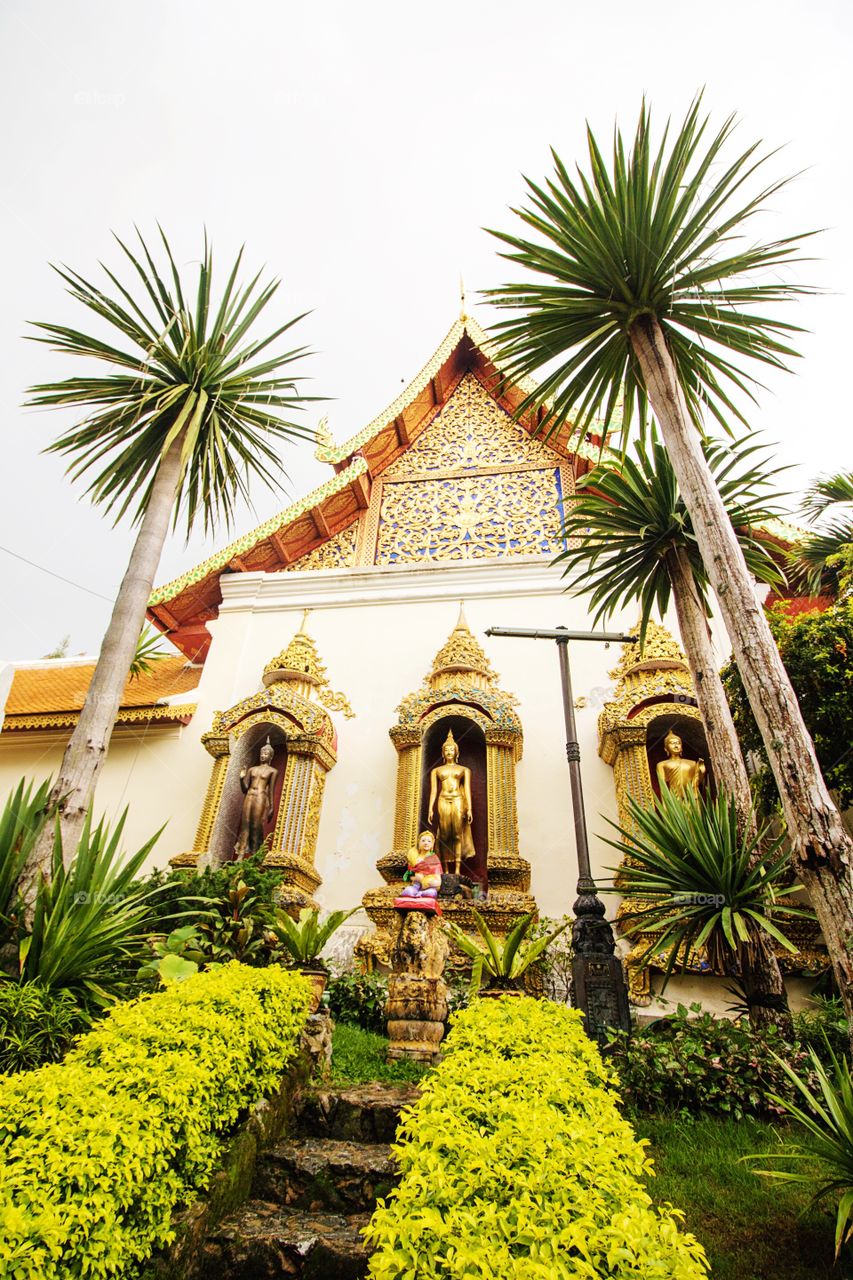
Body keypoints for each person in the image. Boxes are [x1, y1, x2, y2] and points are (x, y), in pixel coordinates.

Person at [428, 729, 475, 874]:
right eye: (446, 749)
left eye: (451, 749)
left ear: (456, 752)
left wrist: (470, 809)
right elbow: (434, 791)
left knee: (457, 834)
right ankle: (446, 870)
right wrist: (430, 808)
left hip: (458, 800)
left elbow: (467, 790)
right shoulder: (436, 771)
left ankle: (457, 870)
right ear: (443, 752)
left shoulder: (464, 770)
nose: (449, 752)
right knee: (443, 834)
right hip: (443, 799)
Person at [234, 740, 278, 858]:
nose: (263, 755)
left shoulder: (273, 771)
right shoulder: (252, 769)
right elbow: (244, 789)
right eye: (262, 753)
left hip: (261, 797)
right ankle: (240, 855)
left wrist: (272, 807)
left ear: (270, 756)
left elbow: (271, 790)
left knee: (255, 825)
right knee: (245, 824)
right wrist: (241, 778)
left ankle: (255, 854)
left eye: (265, 753)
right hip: (249, 795)